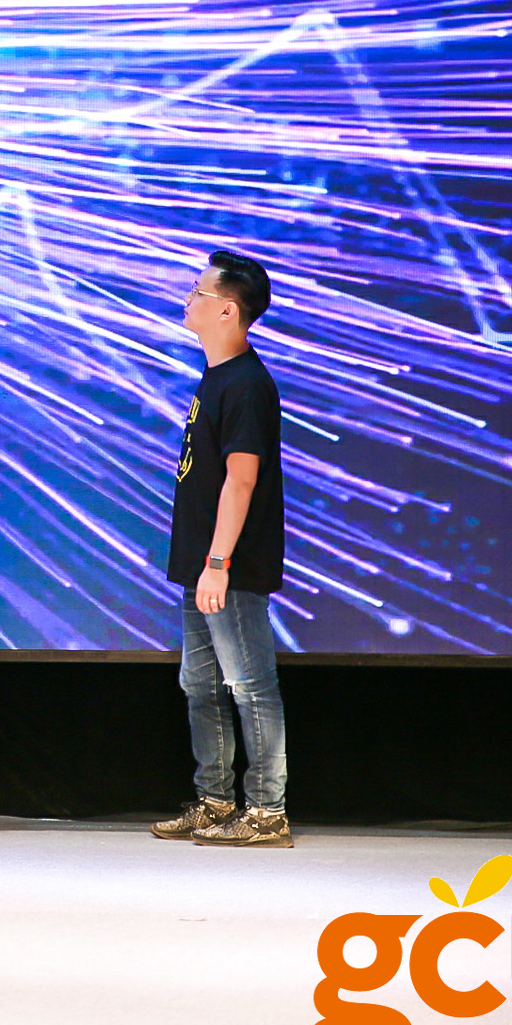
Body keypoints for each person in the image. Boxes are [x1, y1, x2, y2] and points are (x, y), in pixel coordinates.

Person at [149, 250, 293, 848]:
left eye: (199, 292)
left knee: (249, 684)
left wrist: (218, 562)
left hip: (228, 565)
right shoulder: (217, 377)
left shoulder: (247, 384)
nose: (189, 299)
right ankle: (215, 800)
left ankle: (267, 810)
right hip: (203, 562)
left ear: (229, 310)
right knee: (201, 685)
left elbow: (242, 479)